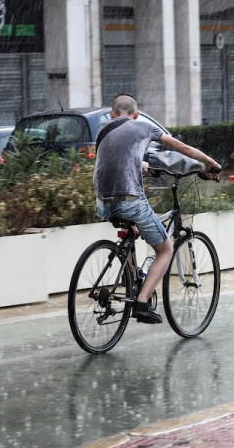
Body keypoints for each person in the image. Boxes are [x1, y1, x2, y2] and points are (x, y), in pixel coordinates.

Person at [93, 94, 221, 324]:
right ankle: (141, 303)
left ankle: (131, 283)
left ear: (112, 115)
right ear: (136, 115)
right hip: (129, 200)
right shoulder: (144, 126)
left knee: (131, 233)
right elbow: (181, 147)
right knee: (165, 249)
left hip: (102, 202)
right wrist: (210, 163)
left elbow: (114, 156)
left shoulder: (103, 127)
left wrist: (141, 165)